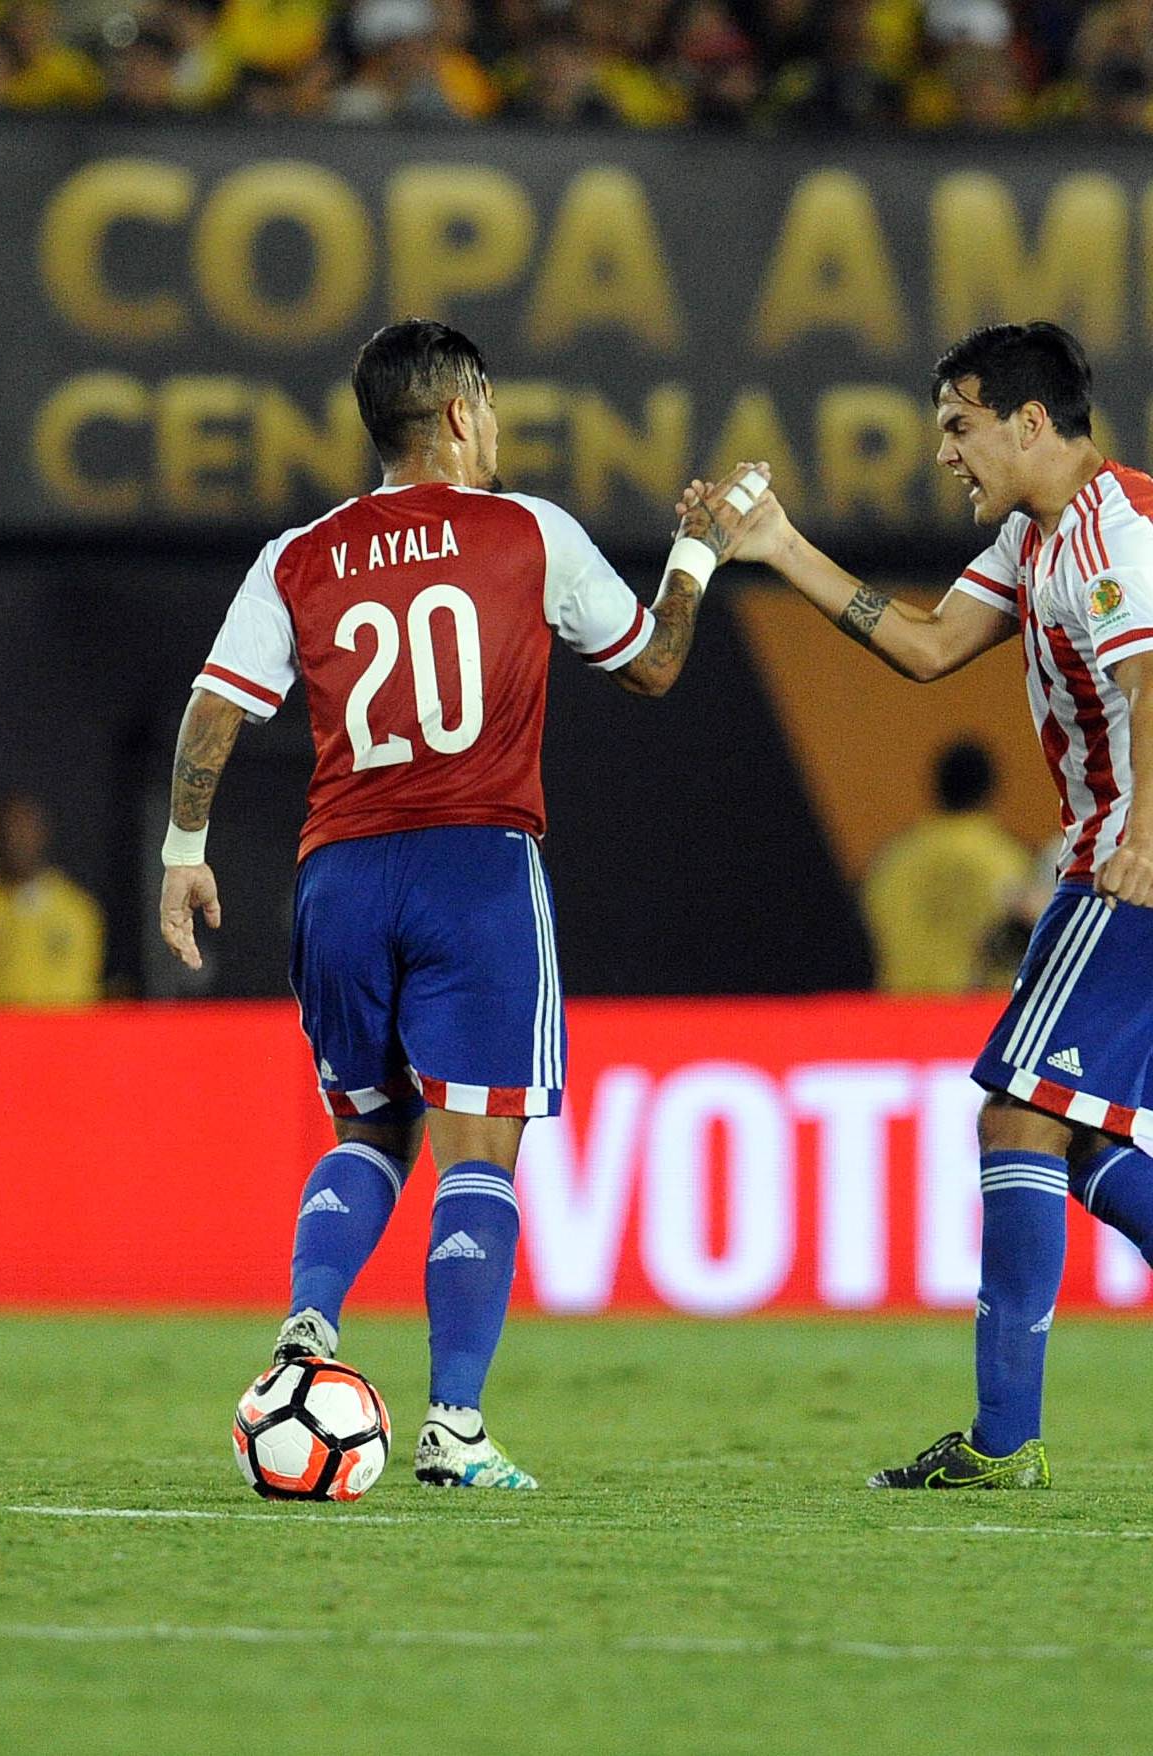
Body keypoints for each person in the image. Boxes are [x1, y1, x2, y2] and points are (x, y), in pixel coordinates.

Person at [159, 319, 768, 1489]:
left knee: (368, 1130)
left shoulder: (300, 553)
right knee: (477, 1148)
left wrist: (186, 847)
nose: (497, 429)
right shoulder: (528, 532)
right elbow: (650, 664)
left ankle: (307, 1329)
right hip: (474, 869)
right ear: (457, 414)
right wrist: (694, 557)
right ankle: (455, 1427)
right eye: (489, 408)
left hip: (337, 874)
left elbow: (215, 707)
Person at [716, 321, 1153, 1489]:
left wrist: (1146, 836)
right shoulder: (1035, 538)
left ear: (1027, 421)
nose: (946, 453)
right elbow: (922, 645)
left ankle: (1005, 1442)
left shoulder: (1115, 527)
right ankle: (1003, 1436)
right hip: (1109, 857)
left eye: (959, 427)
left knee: (1016, 1113)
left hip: (1128, 859)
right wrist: (779, 545)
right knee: (1077, 1130)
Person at [861, 737, 1033, 995]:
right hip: (972, 1015)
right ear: (990, 788)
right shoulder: (1003, 858)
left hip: (900, 1010)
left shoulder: (894, 859)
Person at [0, 793, 104, 1007]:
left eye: (26, 830)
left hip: (56, 1031)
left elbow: (78, 985)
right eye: (8, 832)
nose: (16, 841)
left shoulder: (75, 908)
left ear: (42, 834)